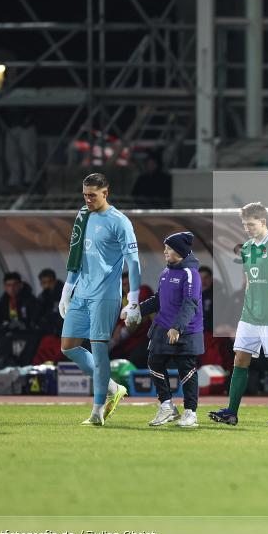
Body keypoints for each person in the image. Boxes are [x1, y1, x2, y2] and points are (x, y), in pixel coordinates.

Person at [59, 173, 138, 425]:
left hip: (105, 294)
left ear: (106, 193)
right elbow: (76, 253)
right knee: (68, 346)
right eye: (84, 195)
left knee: (98, 347)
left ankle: (97, 410)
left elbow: (133, 261)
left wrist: (133, 299)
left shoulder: (119, 221)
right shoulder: (83, 215)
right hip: (81, 290)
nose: (87, 199)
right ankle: (114, 388)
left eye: (92, 195)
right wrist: (67, 288)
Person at [209, 202, 268, 427]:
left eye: (251, 224)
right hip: (249, 316)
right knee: (240, 359)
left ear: (263, 222)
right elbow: (248, 283)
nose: (248, 228)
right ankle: (231, 412)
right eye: (245, 225)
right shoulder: (246, 247)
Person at [137, 232, 204, 428]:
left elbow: (190, 303)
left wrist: (177, 327)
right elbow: (159, 300)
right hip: (163, 326)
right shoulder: (166, 272)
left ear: (180, 251)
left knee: (187, 369)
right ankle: (167, 405)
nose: (164, 251)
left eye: (168, 247)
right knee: (154, 362)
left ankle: (190, 413)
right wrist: (136, 311)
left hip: (186, 330)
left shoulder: (191, 274)